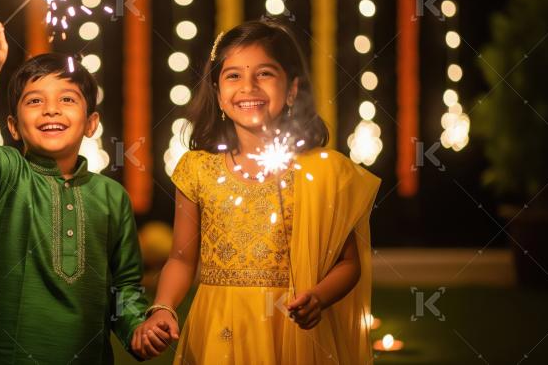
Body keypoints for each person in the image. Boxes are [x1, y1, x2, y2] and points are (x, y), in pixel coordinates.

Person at [134, 19, 381, 364]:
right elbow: (180, 257)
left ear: (292, 90)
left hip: (291, 330)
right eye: (233, 76)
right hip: (217, 324)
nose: (248, 87)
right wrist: (163, 308)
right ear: (218, 94)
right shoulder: (197, 169)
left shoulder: (323, 172)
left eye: (264, 73)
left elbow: (349, 263)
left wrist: (319, 297)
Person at [0, 21, 155, 364]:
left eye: (68, 99)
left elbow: (124, 288)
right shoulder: (7, 175)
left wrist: (138, 330)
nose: (51, 109)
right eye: (35, 100)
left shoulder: (113, 197)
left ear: (91, 122)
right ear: (13, 126)